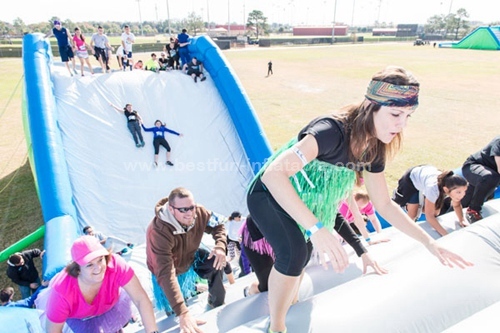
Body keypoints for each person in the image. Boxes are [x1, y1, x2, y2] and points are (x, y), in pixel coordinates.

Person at [246, 66, 473, 333]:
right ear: (370, 105)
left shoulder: (375, 147)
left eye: (408, 116)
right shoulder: (331, 130)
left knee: (303, 252)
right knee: (294, 252)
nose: (401, 124)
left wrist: (429, 243)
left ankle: (285, 303)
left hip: (303, 198)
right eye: (395, 114)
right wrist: (317, 228)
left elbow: (384, 204)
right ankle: (277, 327)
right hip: (269, 192)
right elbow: (274, 175)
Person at [242, 211, 387, 299]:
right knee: (269, 285)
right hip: (259, 235)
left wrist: (363, 252)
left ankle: (294, 301)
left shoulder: (321, 194)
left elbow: (336, 218)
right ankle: (250, 290)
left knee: (297, 265)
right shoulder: (295, 185)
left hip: (295, 232)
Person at [146, 187, 228, 333]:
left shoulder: (200, 212)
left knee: (215, 262)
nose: (190, 213)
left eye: (192, 207)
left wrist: (220, 246)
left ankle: (216, 304)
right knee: (174, 311)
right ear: (171, 209)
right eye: (183, 209)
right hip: (167, 269)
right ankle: (178, 318)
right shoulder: (158, 232)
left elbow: (219, 224)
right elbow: (165, 273)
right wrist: (183, 313)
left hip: (191, 256)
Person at [38, 235, 158, 333]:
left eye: (100, 259)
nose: (98, 268)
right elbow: (53, 331)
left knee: (116, 327)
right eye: (89, 265)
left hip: (112, 305)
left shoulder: (116, 265)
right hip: (82, 319)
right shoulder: (62, 292)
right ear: (78, 269)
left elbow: (140, 299)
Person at [392, 165, 469, 236]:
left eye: (464, 191)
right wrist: (445, 234)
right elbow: (429, 217)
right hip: (411, 180)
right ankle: (404, 230)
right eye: (459, 192)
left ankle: (422, 202)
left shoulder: (451, 188)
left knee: (436, 212)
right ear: (446, 189)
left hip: (427, 177)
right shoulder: (433, 189)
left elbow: (456, 205)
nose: (462, 195)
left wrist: (462, 220)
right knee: (413, 214)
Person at [461, 136, 500, 223]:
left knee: (464, 201)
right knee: (491, 177)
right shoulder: (499, 141)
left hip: (487, 178)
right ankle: (473, 210)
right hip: (473, 168)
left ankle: (447, 208)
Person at [226, 211, 251, 277]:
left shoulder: (244, 219)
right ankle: (230, 264)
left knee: (241, 253)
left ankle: (246, 268)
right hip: (232, 239)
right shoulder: (231, 223)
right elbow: (230, 235)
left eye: (240, 216)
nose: (240, 218)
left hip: (242, 238)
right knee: (233, 255)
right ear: (234, 218)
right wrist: (238, 238)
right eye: (238, 217)